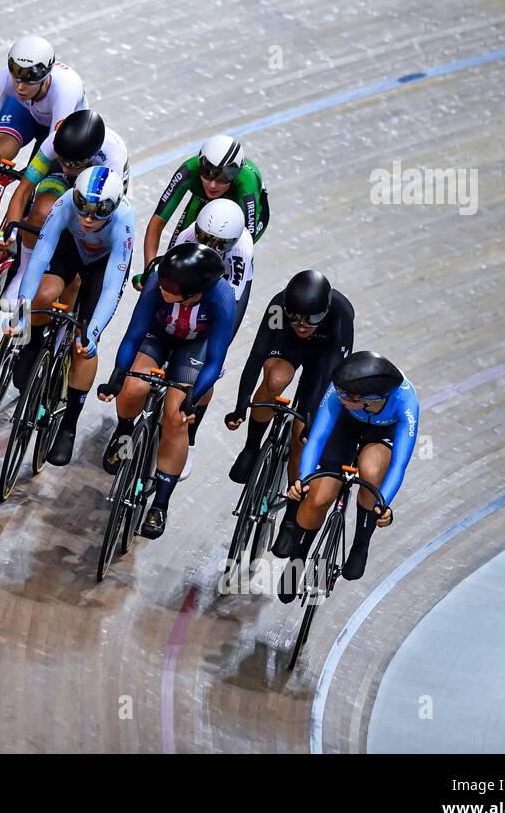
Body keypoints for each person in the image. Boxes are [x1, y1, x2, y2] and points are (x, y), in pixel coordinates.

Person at [97, 243, 234, 539]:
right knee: (133, 388)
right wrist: (118, 377)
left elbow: (215, 360)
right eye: (163, 281)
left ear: (193, 291)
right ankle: (124, 432)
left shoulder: (222, 297)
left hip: (195, 347)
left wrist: (193, 400)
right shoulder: (157, 283)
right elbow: (133, 335)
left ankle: (160, 503)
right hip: (159, 334)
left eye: (171, 286)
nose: (163, 287)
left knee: (175, 417)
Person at [3, 166, 133, 466]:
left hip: (102, 268)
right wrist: (22, 313)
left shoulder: (124, 221)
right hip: (71, 250)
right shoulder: (64, 204)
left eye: (97, 214)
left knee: (82, 345)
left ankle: (69, 426)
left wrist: (93, 332)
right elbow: (38, 258)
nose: (87, 219)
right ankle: (34, 344)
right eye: (83, 210)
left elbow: (112, 288)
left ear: (112, 210)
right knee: (44, 295)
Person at [275, 352, 419, 602]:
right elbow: (318, 437)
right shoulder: (341, 391)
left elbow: (398, 465)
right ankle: (297, 559)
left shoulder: (406, 403)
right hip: (346, 426)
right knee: (318, 498)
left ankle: (361, 544)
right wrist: (304, 478)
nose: (339, 395)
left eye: (346, 396)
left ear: (368, 400)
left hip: (383, 432)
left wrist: (382, 503)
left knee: (372, 472)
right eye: (339, 392)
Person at [224, 270, 354, 527]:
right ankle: (252, 447)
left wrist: (310, 418)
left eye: (311, 319)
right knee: (274, 379)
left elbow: (330, 379)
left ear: (325, 312)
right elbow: (257, 354)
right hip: (288, 346)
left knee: (301, 437)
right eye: (295, 318)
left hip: (323, 360)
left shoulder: (341, 315)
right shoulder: (278, 307)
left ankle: (292, 514)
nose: (303, 325)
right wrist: (242, 403)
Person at [0, 37, 87, 253]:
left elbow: (52, 148)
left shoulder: (66, 89)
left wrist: (30, 178)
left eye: (29, 81)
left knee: (35, 185)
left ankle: (17, 239)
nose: (20, 87)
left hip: (58, 134)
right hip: (25, 112)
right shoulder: (6, 78)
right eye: (16, 79)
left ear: (46, 76)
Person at [0, 109, 129, 303]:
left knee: (84, 223)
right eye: (62, 160)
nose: (67, 168)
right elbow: (24, 190)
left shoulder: (113, 160)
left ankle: (69, 278)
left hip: (100, 185)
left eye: (73, 164)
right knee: (41, 210)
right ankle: (23, 273)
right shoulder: (54, 142)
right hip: (67, 175)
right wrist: (10, 231)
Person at [165, 198, 254, 479]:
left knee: (208, 362)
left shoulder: (241, 250)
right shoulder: (188, 234)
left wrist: (217, 350)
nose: (211, 246)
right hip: (192, 287)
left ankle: (190, 438)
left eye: (219, 243)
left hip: (224, 293)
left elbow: (231, 305)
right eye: (206, 238)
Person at [142, 135, 268, 275]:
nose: (213, 185)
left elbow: (246, 243)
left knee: (219, 262)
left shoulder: (247, 185)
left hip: (240, 216)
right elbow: (157, 223)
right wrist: (149, 270)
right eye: (207, 173)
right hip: (202, 202)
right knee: (175, 262)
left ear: (237, 174)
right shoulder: (189, 170)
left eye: (224, 178)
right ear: (199, 164)